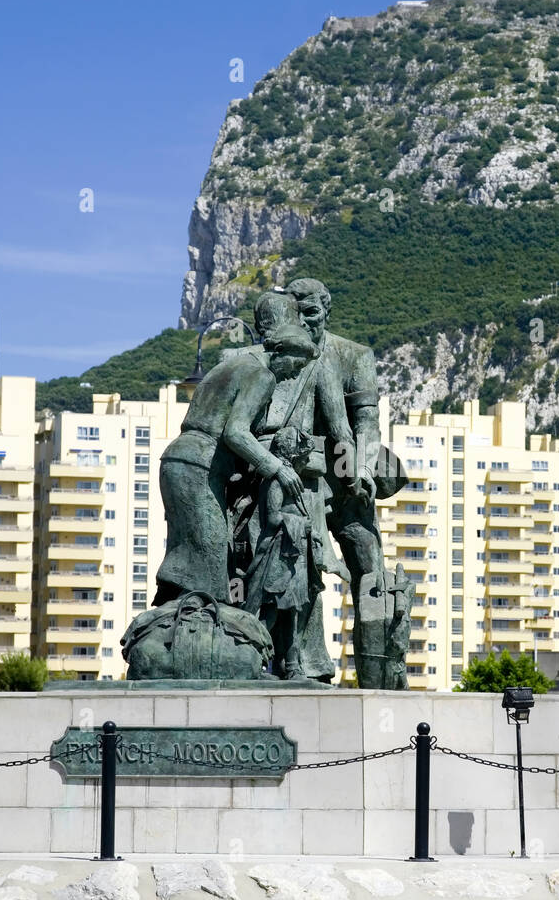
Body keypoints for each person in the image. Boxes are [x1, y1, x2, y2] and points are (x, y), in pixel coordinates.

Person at [285, 277, 408, 686]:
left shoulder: (353, 356)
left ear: (326, 309)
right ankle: (308, 668)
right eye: (297, 313)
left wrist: (367, 470)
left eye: (312, 312)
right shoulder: (281, 355)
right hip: (304, 478)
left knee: (369, 565)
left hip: (347, 473)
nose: (305, 320)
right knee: (303, 566)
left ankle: (381, 673)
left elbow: (367, 421)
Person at [154, 315, 316, 606]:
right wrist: (278, 468)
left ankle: (172, 614)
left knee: (186, 546)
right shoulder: (261, 376)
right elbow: (236, 433)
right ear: (281, 352)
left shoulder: (229, 366)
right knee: (213, 550)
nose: (293, 375)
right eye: (296, 365)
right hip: (199, 466)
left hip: (177, 460)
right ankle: (205, 625)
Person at [243, 425, 323, 680]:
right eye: (304, 457)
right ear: (293, 455)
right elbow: (273, 517)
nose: (306, 462)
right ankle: (254, 661)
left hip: (293, 556)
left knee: (293, 613)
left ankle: (293, 666)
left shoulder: (289, 480)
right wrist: (301, 524)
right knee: (270, 611)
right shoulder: (276, 482)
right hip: (278, 556)